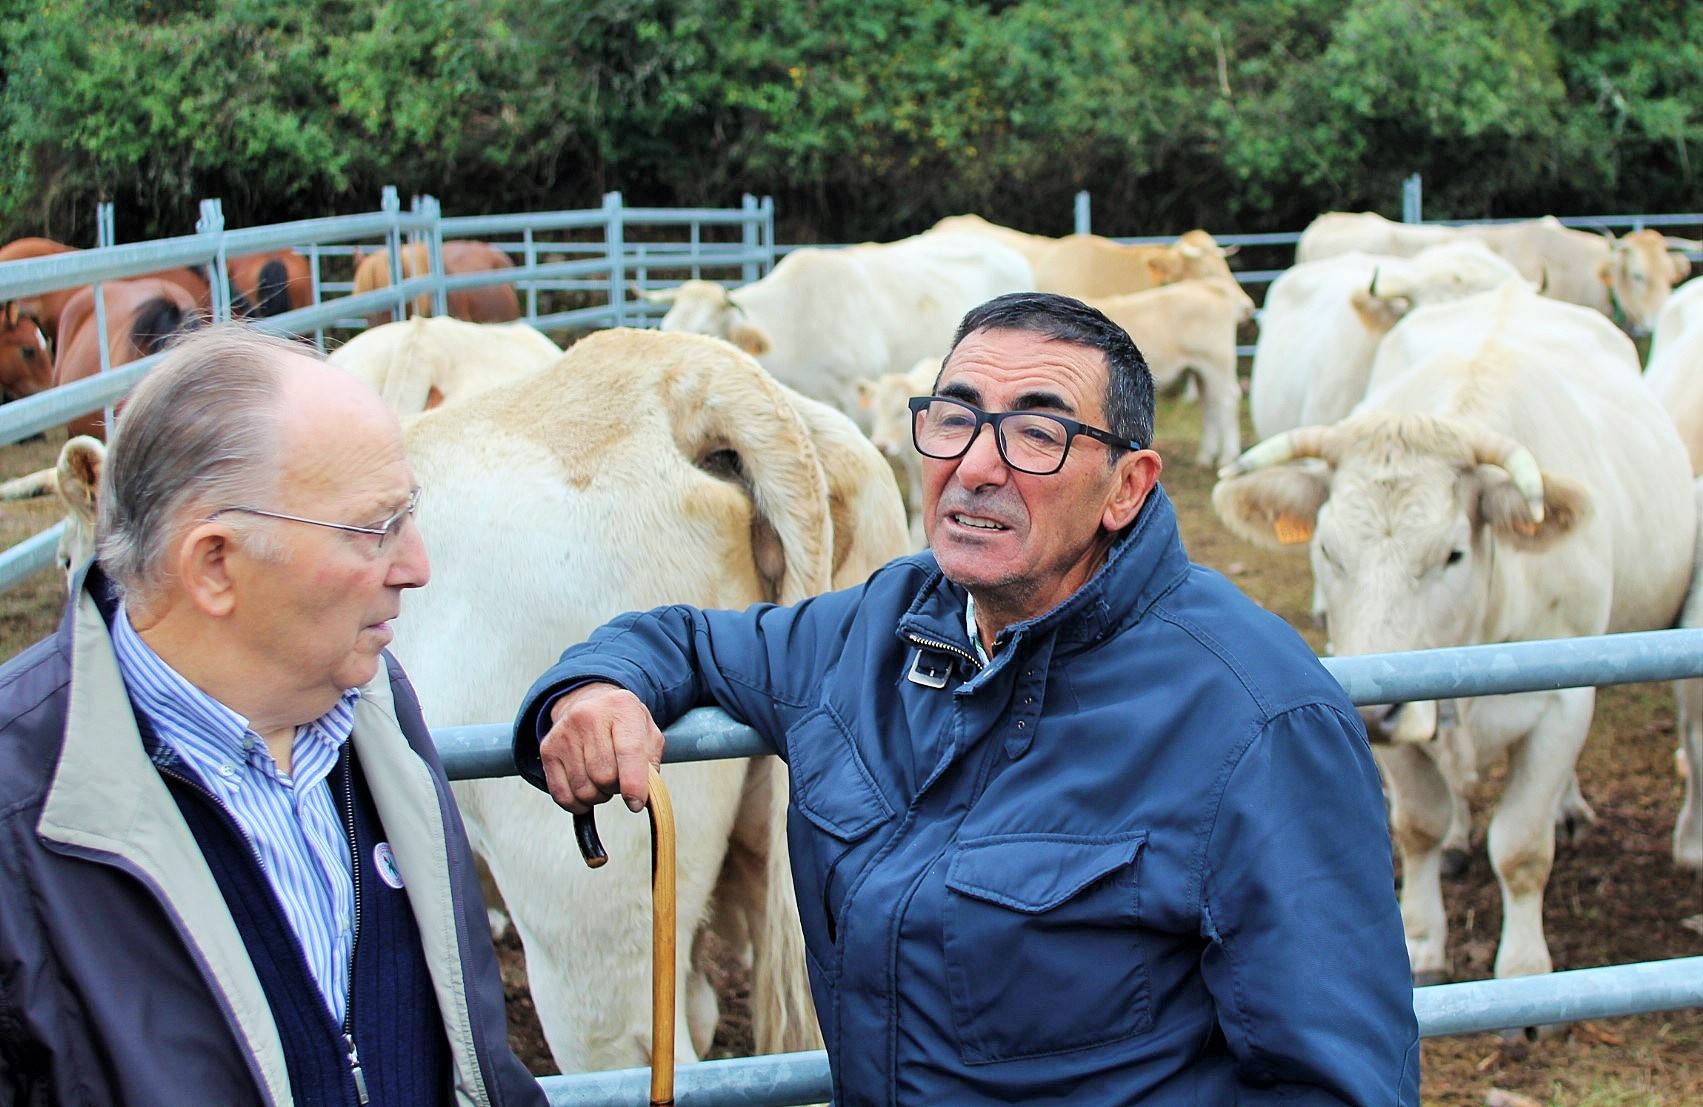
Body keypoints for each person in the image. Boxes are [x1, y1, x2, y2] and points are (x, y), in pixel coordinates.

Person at [514, 293, 1421, 1104]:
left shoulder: (1256, 718)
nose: (976, 466)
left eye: (1037, 432)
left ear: (1127, 486)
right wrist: (601, 687)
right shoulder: (878, 627)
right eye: (953, 419)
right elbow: (685, 638)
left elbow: (1338, 1080)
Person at [0, 326, 545, 1106]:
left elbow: (474, 1063)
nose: (417, 566)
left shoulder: (378, 714)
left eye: (409, 513)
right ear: (216, 564)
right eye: (374, 528)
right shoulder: (21, 818)